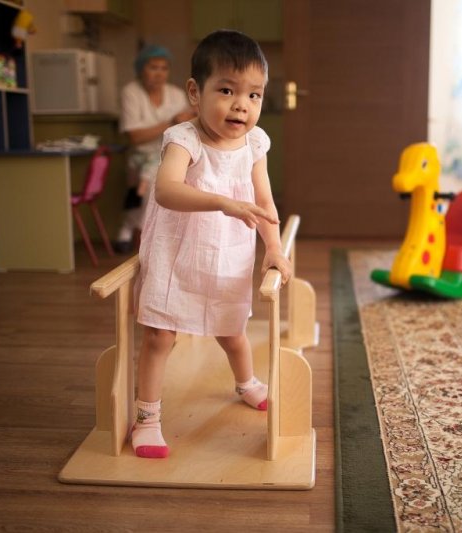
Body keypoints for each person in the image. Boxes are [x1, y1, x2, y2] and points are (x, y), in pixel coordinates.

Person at [130, 30, 292, 459]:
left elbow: (264, 202)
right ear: (194, 93)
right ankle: (146, 418)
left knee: (232, 331)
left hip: (225, 255)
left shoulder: (254, 143)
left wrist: (274, 248)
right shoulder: (183, 138)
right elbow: (166, 190)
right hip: (175, 254)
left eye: (254, 95)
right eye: (226, 90)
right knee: (159, 336)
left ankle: (246, 382)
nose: (242, 105)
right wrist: (221, 202)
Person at [115, 44, 196, 253]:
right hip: (140, 156)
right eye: (153, 67)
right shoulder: (131, 93)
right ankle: (142, 232)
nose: (159, 73)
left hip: (171, 154)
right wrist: (171, 122)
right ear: (141, 69)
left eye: (164, 68)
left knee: (168, 176)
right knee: (152, 181)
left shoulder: (176, 94)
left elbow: (188, 127)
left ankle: (130, 229)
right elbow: (134, 137)